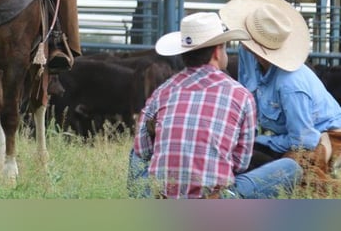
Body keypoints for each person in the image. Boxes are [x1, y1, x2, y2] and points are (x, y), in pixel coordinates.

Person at [128, 11, 302, 199]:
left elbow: (143, 151)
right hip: (214, 197)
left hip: (164, 195)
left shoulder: (162, 92)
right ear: (218, 51)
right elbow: (240, 163)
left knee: (136, 151)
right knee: (291, 168)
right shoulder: (241, 95)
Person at [219, 0, 341, 180]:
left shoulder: (291, 85)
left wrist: (258, 140)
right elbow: (246, 98)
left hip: (322, 136)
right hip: (284, 135)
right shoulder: (248, 55)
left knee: (295, 171)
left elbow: (303, 140)